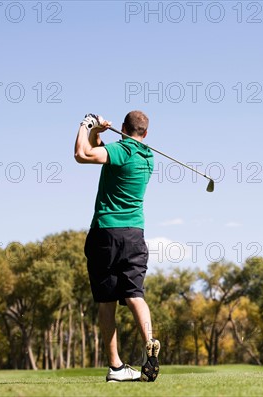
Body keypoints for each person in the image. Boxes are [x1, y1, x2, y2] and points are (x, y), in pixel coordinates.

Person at [74, 111, 160, 382]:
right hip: (135, 234)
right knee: (135, 294)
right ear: (145, 134)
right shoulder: (148, 158)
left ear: (123, 129)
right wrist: (98, 134)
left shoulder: (121, 150)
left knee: (106, 302)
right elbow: (103, 153)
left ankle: (116, 367)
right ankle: (149, 341)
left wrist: (86, 124)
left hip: (106, 232)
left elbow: (82, 154)